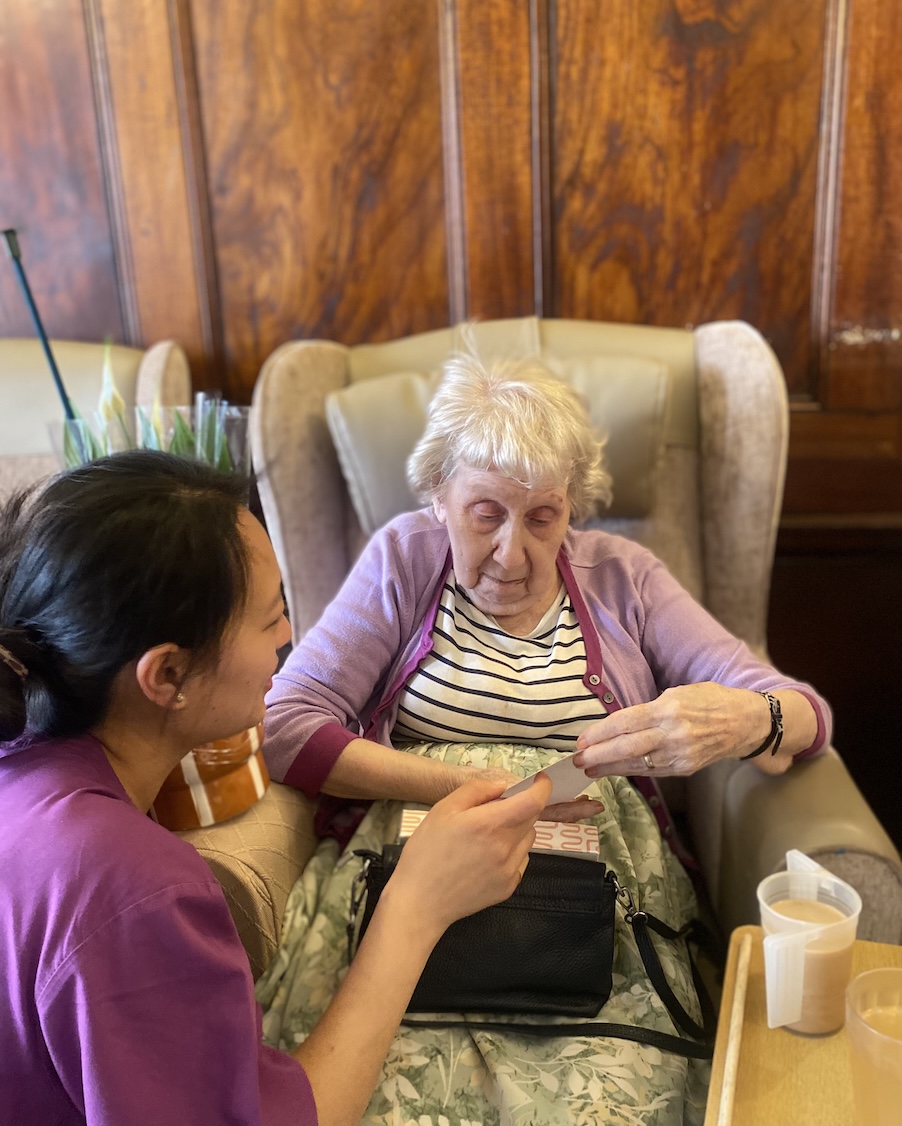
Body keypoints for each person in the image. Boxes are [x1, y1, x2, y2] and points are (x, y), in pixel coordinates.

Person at [259, 352, 832, 1126]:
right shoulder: (401, 558)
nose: (512, 553)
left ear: (573, 511)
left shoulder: (625, 576)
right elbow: (286, 728)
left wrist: (744, 719)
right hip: (411, 871)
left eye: (542, 517)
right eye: (486, 513)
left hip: (599, 890)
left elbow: (801, 711)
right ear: (439, 497)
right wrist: (460, 788)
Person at [0, 451, 551, 1126]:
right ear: (166, 674)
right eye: (270, 618)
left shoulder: (25, 770)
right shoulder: (133, 889)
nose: (290, 637)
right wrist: (416, 905)